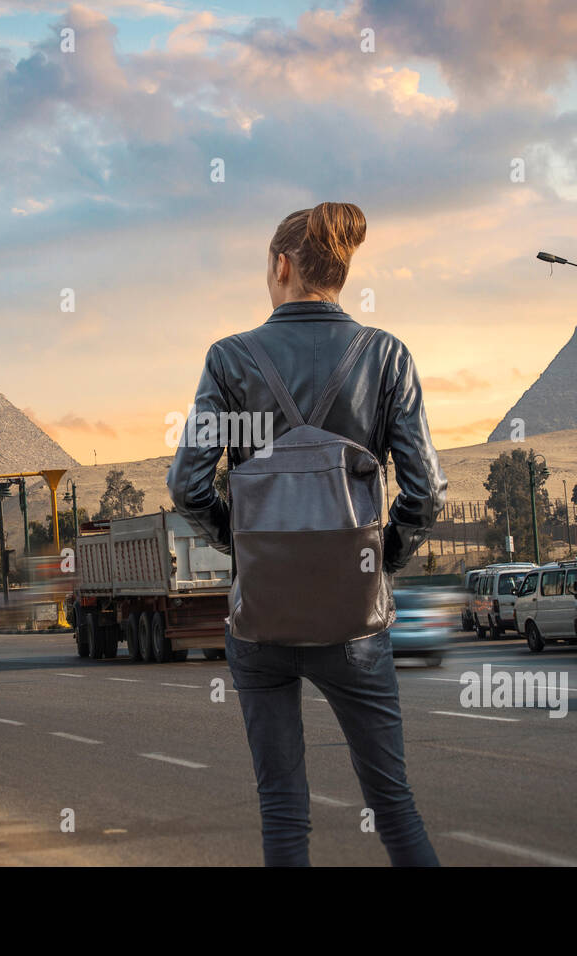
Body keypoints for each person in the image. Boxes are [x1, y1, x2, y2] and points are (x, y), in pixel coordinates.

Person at [166, 201, 448, 866]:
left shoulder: (230, 359)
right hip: (353, 620)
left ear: (282, 266)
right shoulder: (384, 355)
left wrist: (246, 549)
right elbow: (426, 491)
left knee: (284, 813)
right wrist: (379, 562)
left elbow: (187, 484)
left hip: (261, 623)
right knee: (394, 805)